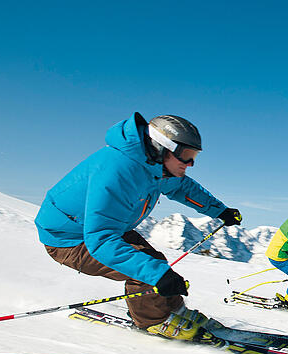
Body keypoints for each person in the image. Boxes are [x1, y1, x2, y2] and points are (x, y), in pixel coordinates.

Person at [34, 113, 242, 341]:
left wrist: (219, 210)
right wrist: (157, 274)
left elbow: (182, 187)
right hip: (68, 239)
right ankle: (154, 321)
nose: (190, 163)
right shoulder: (117, 172)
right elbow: (100, 240)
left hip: (105, 227)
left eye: (194, 156)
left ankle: (175, 311)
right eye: (185, 155)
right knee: (148, 270)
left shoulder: (154, 165)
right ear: (161, 147)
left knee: (155, 262)